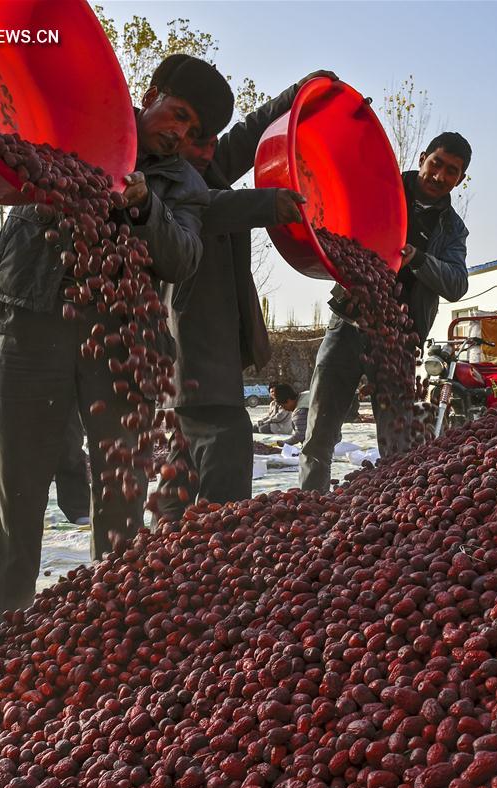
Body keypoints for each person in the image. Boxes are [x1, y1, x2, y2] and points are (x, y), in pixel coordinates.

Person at [0, 54, 234, 642]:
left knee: (122, 496)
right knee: (17, 490)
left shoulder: (183, 184)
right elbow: (4, 140)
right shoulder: (78, 121)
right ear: (152, 92)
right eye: (178, 115)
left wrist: (144, 206)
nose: (179, 135)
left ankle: (110, 634)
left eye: (193, 133)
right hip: (32, 315)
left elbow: (183, 257)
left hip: (122, 341)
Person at [155, 70, 336, 519]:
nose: (208, 148)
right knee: (224, 474)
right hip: (192, 356)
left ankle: (161, 560)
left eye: (211, 138)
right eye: (195, 137)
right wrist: (265, 203)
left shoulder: (208, 164)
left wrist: (301, 94)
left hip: (209, 361)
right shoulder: (169, 181)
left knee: (181, 471)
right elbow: (212, 211)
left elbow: (251, 131)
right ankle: (200, 566)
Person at [300, 132, 472, 492]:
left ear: (461, 178)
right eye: (436, 163)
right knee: (319, 430)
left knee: (397, 442)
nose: (439, 175)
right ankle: (309, 506)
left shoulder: (453, 228)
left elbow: (457, 284)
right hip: (349, 322)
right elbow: (335, 212)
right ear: (423, 157)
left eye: (452, 171)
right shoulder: (384, 187)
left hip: (399, 340)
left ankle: (392, 510)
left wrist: (419, 259)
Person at [0, 301, 91, 525]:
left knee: (70, 444)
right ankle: (20, 513)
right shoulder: (5, 281)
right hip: (19, 370)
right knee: (20, 451)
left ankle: (78, 506)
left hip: (63, 367)